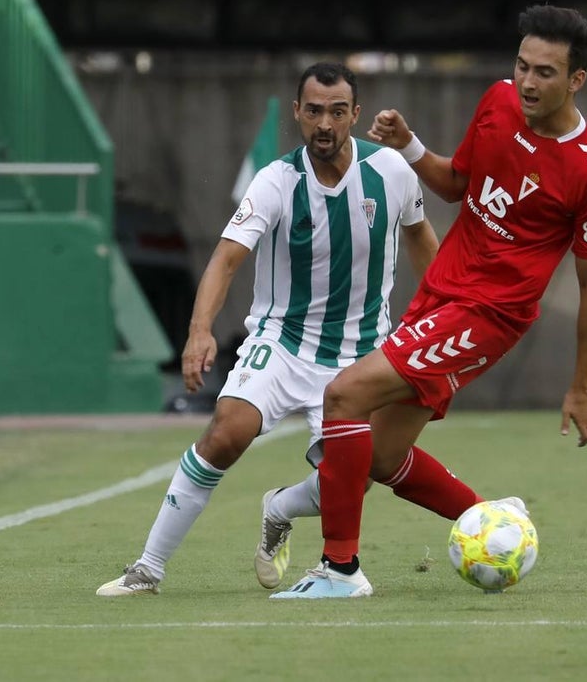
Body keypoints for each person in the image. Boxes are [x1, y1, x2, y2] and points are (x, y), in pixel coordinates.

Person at [271, 5, 587, 599]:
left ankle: (340, 570)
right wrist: (410, 146)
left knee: (344, 395)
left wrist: (582, 385)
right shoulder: (499, 102)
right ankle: (493, 515)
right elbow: (458, 183)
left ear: (576, 80)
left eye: (546, 73)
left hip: (487, 316)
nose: (528, 82)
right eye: (523, 66)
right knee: (380, 456)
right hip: (440, 294)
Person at [97, 62, 443, 596]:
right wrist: (199, 331)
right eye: (312, 111)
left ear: (354, 113)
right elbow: (227, 258)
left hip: (362, 353)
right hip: (282, 342)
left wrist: (444, 311)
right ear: (298, 113)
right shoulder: (277, 180)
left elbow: (421, 239)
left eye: (336, 111)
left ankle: (280, 506)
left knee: (356, 478)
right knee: (225, 433)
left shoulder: (393, 172)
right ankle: (147, 568)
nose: (323, 123)